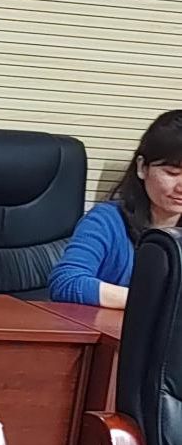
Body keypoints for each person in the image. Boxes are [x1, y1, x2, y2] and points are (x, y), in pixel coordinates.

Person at [50, 110, 182, 308]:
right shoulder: (106, 221)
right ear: (142, 168)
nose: (180, 187)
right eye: (171, 173)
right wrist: (153, 304)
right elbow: (66, 282)